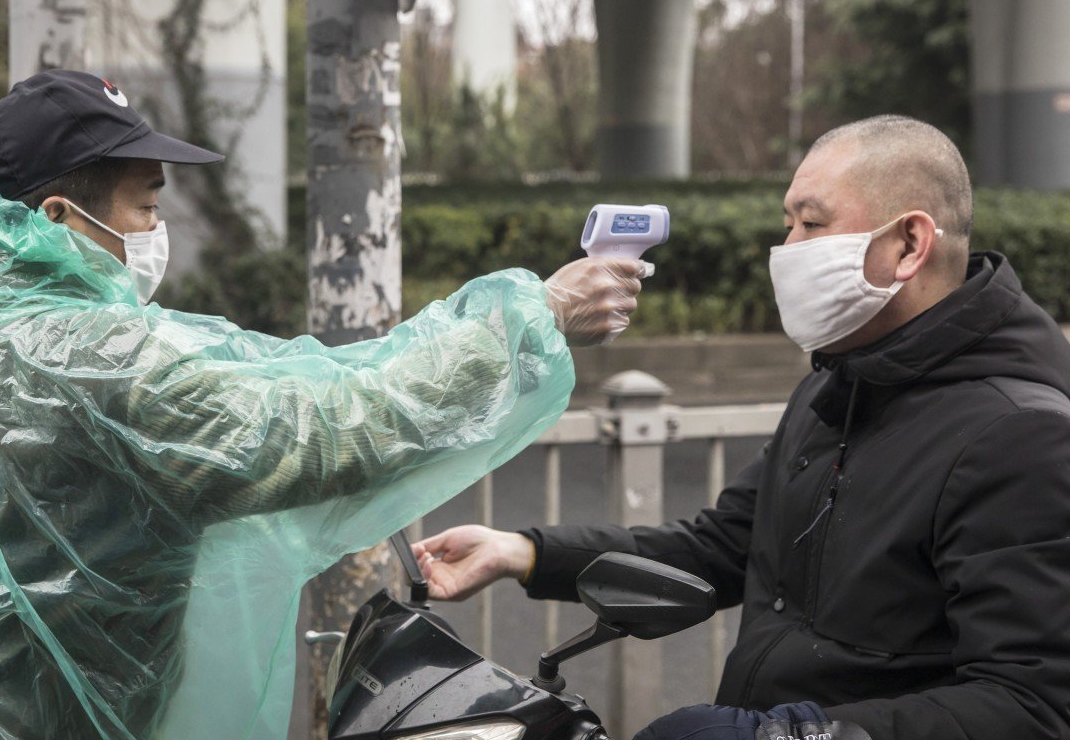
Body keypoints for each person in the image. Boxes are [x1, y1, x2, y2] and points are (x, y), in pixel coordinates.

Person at [0, 69, 649, 739]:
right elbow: (318, 432)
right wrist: (527, 324)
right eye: (145, 206)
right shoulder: (85, 359)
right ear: (58, 218)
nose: (154, 230)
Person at [414, 116, 1070, 740]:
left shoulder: (1019, 437)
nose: (784, 251)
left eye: (810, 224)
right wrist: (525, 553)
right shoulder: (839, 382)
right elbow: (724, 549)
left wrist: (789, 735)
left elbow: (1030, 705)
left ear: (908, 245)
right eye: (786, 223)